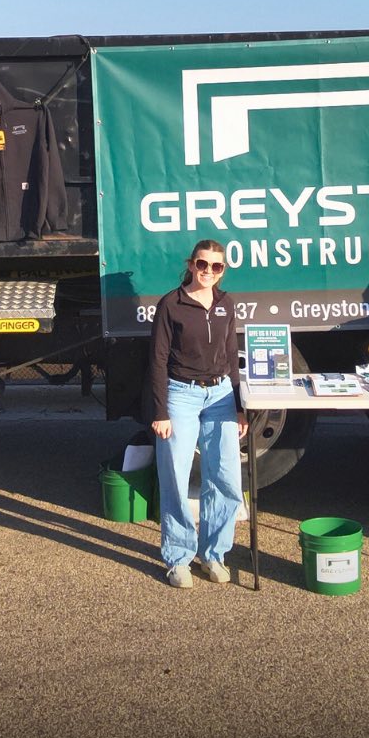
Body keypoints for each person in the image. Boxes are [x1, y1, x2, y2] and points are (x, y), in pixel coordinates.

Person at [149, 239, 248, 589]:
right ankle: (178, 558)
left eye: (216, 267)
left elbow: (232, 353)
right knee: (175, 477)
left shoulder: (226, 303)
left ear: (223, 270)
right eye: (202, 265)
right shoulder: (171, 304)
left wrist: (238, 406)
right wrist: (161, 411)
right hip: (181, 396)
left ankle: (213, 555)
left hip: (221, 395)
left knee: (226, 479)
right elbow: (158, 360)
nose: (208, 272)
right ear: (191, 264)